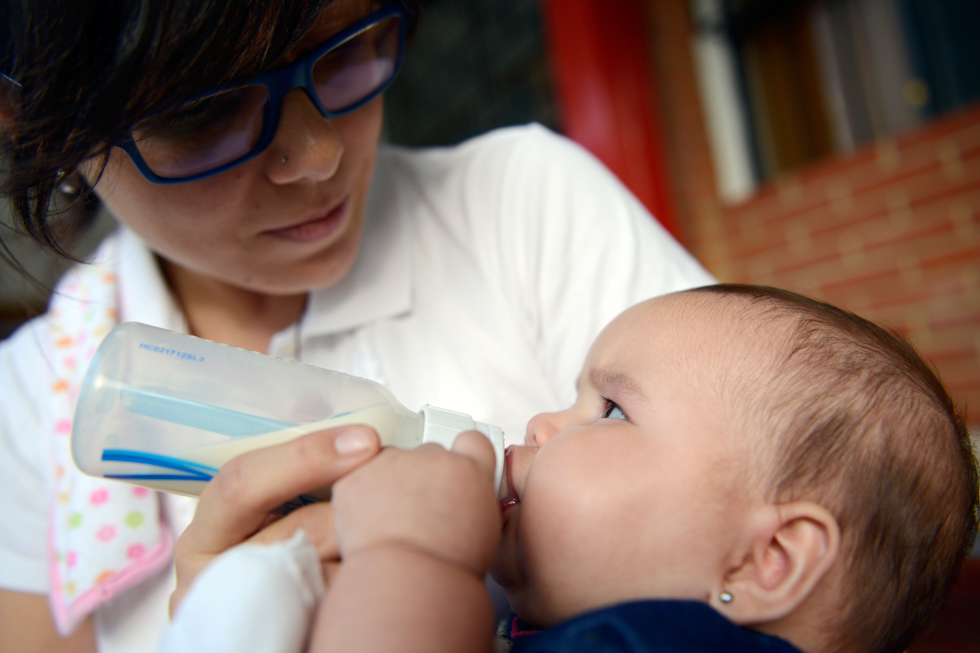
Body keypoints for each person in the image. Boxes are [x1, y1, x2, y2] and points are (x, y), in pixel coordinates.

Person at [0, 0, 714, 651]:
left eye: (345, 51)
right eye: (204, 112)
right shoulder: (29, 409)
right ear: (30, 122)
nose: (319, 156)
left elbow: (769, 516)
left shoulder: (523, 210)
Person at [161, 285, 978, 653]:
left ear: (763, 561)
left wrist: (414, 557)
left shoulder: (664, 645)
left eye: (610, 409)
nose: (544, 423)